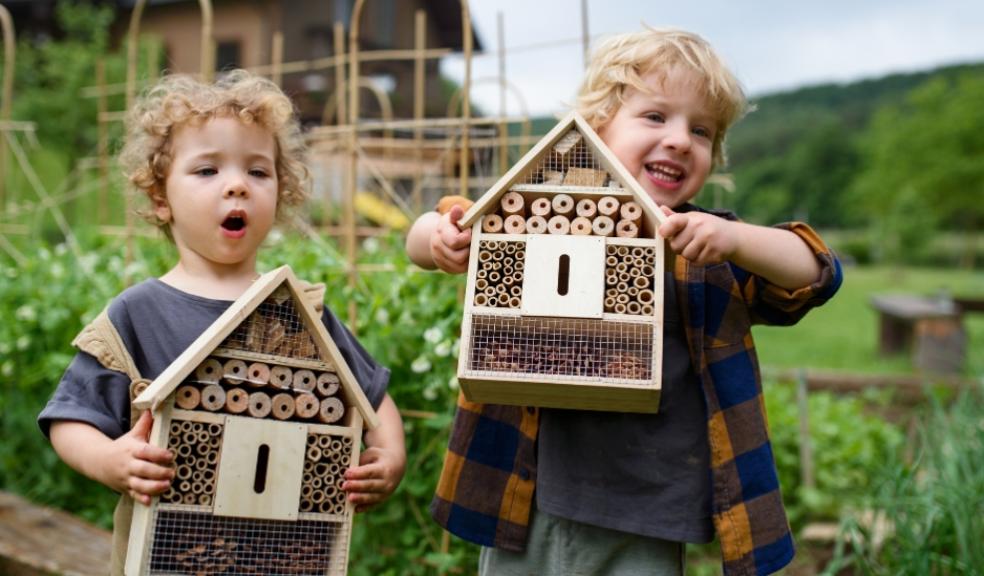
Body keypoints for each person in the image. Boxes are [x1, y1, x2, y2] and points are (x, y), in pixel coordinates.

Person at [406, 27, 842, 576]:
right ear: (597, 126)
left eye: (701, 130)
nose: (681, 140)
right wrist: (440, 241)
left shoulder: (703, 244)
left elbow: (818, 272)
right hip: (527, 493)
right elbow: (427, 230)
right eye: (656, 117)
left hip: (650, 509)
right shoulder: (545, 212)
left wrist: (735, 239)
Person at [38, 70, 406, 574]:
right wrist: (110, 461)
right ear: (161, 199)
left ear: (281, 192)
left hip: (289, 553)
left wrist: (387, 457)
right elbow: (70, 418)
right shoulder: (137, 314)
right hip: (172, 556)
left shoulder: (299, 311)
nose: (237, 185)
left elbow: (374, 402)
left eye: (258, 172)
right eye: (207, 170)